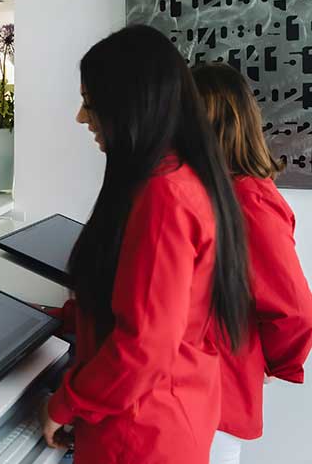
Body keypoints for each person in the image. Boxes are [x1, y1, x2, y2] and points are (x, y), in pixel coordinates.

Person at [39, 25, 251, 463]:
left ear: (130, 105)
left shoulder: (163, 197)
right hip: (170, 415)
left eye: (90, 103)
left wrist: (65, 404)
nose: (82, 118)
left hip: (142, 433)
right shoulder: (188, 180)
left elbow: (142, 349)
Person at [192, 62, 312, 464]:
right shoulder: (221, 193)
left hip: (217, 399)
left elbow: (294, 309)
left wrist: (275, 364)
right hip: (205, 393)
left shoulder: (248, 201)